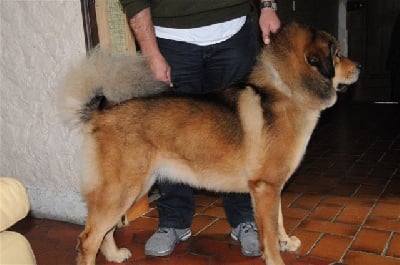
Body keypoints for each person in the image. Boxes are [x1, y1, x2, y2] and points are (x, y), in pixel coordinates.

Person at [119, 0, 280, 257]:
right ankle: (173, 221)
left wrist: (268, 6)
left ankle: (244, 219)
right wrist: (151, 53)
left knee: (241, 133)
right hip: (170, 39)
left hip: (234, 33)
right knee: (169, 135)